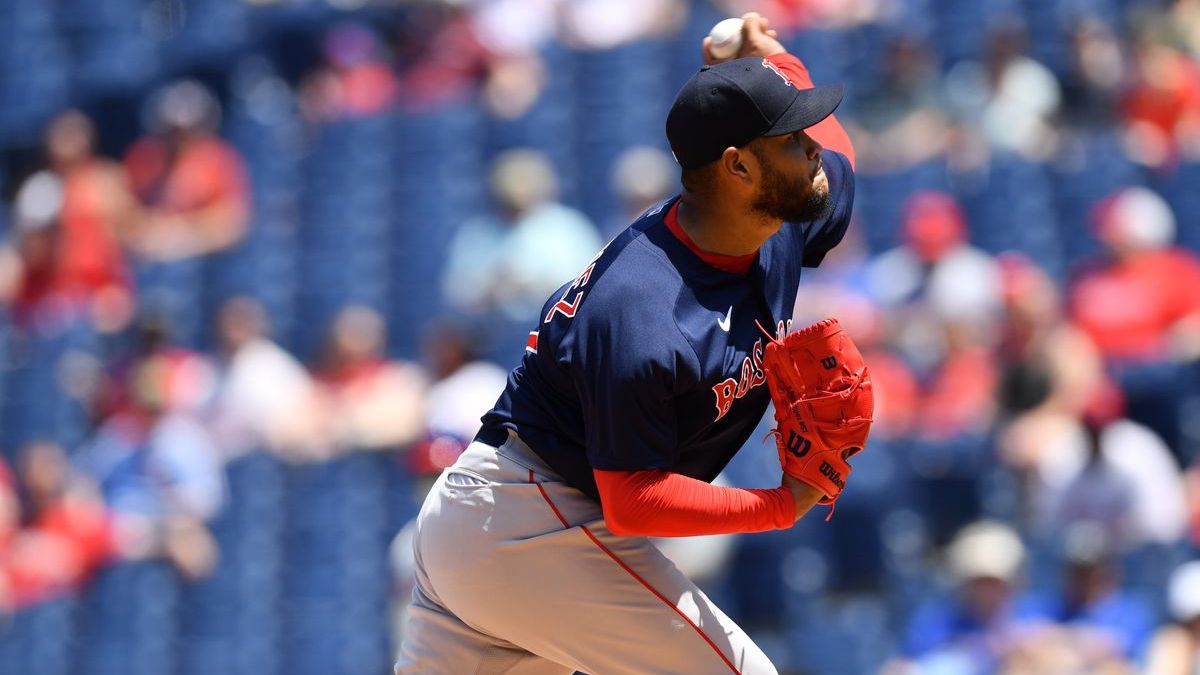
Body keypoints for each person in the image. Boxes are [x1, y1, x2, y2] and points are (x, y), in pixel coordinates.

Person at [398, 12, 860, 674]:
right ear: (738, 168)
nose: (812, 150)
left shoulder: (772, 218)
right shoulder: (640, 307)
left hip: (503, 525)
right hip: (531, 515)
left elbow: (837, 158)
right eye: (793, 137)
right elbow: (633, 496)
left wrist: (777, 61)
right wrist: (781, 505)